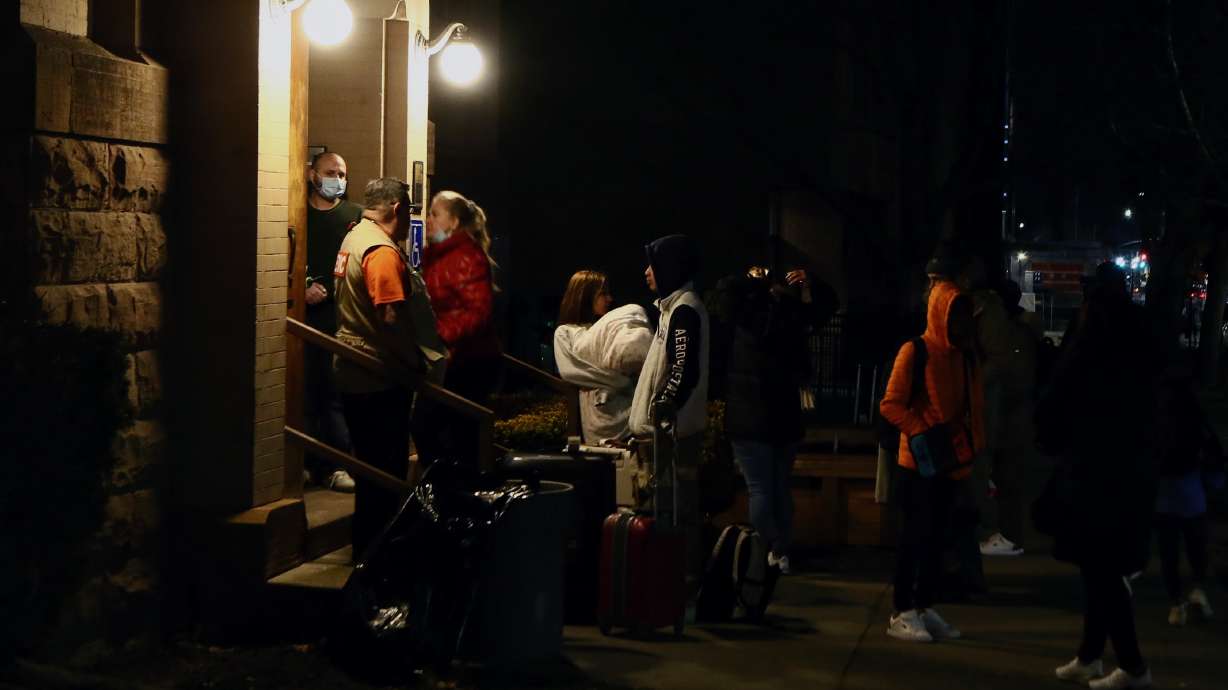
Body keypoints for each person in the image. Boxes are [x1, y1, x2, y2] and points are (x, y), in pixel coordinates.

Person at [1037, 263, 1157, 689]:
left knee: (1101, 571)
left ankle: (1132, 665)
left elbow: (1055, 404)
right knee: (1101, 569)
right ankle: (1091, 655)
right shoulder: (1140, 348)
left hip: (1092, 475)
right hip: (1130, 475)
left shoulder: (1090, 348)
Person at [332, 177, 448, 558]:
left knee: (370, 472)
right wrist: (415, 362)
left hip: (355, 369)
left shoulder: (353, 238)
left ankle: (367, 553)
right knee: (384, 474)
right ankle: (376, 558)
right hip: (378, 376)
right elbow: (390, 317)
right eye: (409, 211)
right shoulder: (381, 251)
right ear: (397, 209)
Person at [879, 258, 984, 643]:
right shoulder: (916, 350)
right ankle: (902, 610)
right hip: (919, 463)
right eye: (956, 314)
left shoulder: (961, 354)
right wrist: (924, 430)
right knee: (915, 539)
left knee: (936, 539)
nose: (963, 322)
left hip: (947, 461)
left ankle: (921, 606)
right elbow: (890, 404)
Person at [708, 265, 836, 575]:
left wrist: (754, 282)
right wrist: (810, 284)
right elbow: (826, 308)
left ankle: (767, 546)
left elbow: (722, 290)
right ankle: (782, 551)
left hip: (748, 418)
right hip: (785, 416)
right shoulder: (790, 318)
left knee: (759, 488)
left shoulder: (742, 317)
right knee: (779, 487)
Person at [628, 234, 709, 600]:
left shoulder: (684, 311)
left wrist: (663, 410)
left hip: (673, 436)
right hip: (669, 433)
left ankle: (679, 585)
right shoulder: (672, 309)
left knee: (677, 512)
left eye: (654, 265)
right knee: (674, 510)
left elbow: (683, 369)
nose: (647, 272)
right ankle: (674, 582)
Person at [417, 190, 500, 466]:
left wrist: (442, 337)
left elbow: (478, 311)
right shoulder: (437, 255)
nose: (428, 219)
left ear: (452, 221)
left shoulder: (465, 256)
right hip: (448, 359)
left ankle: (455, 495)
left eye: (435, 214)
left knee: (445, 430)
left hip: (466, 362)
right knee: (434, 428)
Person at [966, 271, 1037, 558]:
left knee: (1003, 476)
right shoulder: (1020, 331)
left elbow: (1001, 370)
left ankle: (1007, 535)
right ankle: (1007, 534)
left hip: (1006, 415)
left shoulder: (999, 332)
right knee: (1006, 477)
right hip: (1011, 414)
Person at [304, 151, 363, 493]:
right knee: (303, 393)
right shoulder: (296, 212)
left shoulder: (354, 217)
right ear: (313, 175)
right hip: (302, 317)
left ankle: (338, 464)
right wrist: (298, 287)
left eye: (342, 173)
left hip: (339, 319)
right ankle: (308, 462)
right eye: (330, 172)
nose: (337, 179)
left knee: (333, 393)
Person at [1153, 371, 1225, 626]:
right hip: (1192, 494)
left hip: (1164, 497)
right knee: (1195, 548)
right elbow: (1215, 455)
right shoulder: (1197, 421)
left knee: (1169, 553)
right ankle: (1197, 590)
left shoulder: (1158, 422)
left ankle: (1177, 604)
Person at [553, 270, 653, 444]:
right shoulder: (565, 332)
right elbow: (572, 372)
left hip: (630, 408)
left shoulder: (606, 327)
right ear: (585, 295)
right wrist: (620, 382)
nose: (609, 299)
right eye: (603, 294)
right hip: (603, 414)